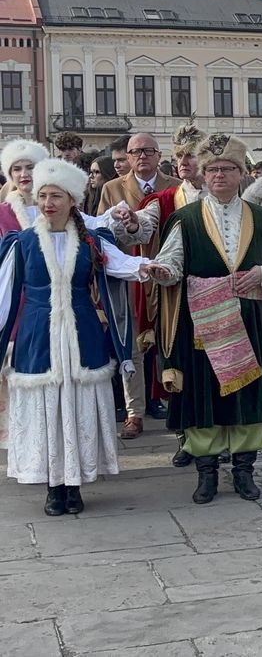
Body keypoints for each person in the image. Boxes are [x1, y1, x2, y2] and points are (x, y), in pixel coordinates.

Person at [146, 133, 262, 505]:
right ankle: (206, 473)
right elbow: (171, 263)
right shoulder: (184, 219)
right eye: (212, 169)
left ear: (242, 175)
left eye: (228, 169)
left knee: (247, 397)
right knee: (203, 396)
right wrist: (163, 272)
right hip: (200, 322)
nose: (219, 175)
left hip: (250, 321)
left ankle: (244, 470)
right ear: (202, 175)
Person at [0, 159, 149, 516]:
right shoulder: (21, 242)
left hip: (82, 332)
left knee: (78, 404)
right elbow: (3, 294)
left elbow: (117, 264)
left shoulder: (89, 239)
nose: (48, 202)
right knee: (47, 407)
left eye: (56, 196)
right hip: (38, 335)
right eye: (43, 196)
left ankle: (76, 482)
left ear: (72, 201)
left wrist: (146, 266)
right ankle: (54, 486)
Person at [111, 122, 208, 467]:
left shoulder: (221, 197)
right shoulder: (166, 198)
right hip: (175, 296)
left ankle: (220, 435)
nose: (184, 162)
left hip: (217, 295)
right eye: (180, 156)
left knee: (214, 367)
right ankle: (185, 436)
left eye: (191, 156)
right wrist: (133, 224)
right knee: (179, 365)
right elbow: (146, 222)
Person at [98, 133, 182, 438]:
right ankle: (135, 412)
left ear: (159, 155)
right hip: (129, 276)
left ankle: (172, 401)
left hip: (168, 274)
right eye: (136, 152)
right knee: (131, 347)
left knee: (169, 341)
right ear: (127, 157)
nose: (142, 156)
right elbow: (100, 233)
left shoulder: (174, 186)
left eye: (148, 151)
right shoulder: (112, 188)